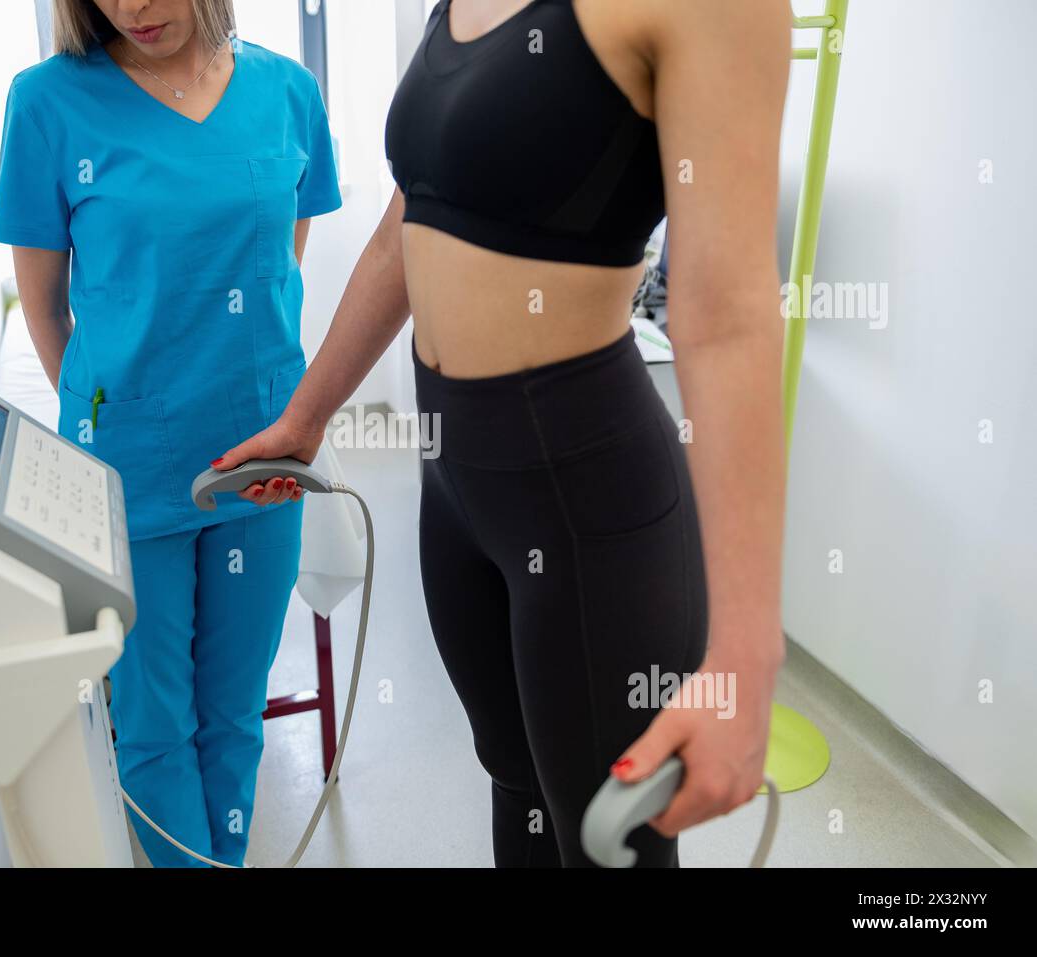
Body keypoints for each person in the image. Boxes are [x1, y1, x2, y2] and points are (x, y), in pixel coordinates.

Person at [215, 0, 790, 866]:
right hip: (457, 488)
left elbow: (732, 314)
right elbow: (403, 233)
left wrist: (746, 656)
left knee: (608, 840)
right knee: (517, 790)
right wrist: (306, 417)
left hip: (583, 498)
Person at [0, 0, 341, 866]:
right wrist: (120, 408)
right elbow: (45, 307)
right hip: (128, 473)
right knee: (150, 726)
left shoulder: (288, 93)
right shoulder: (47, 103)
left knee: (233, 716)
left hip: (261, 460)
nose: (132, 8)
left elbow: (277, 270)